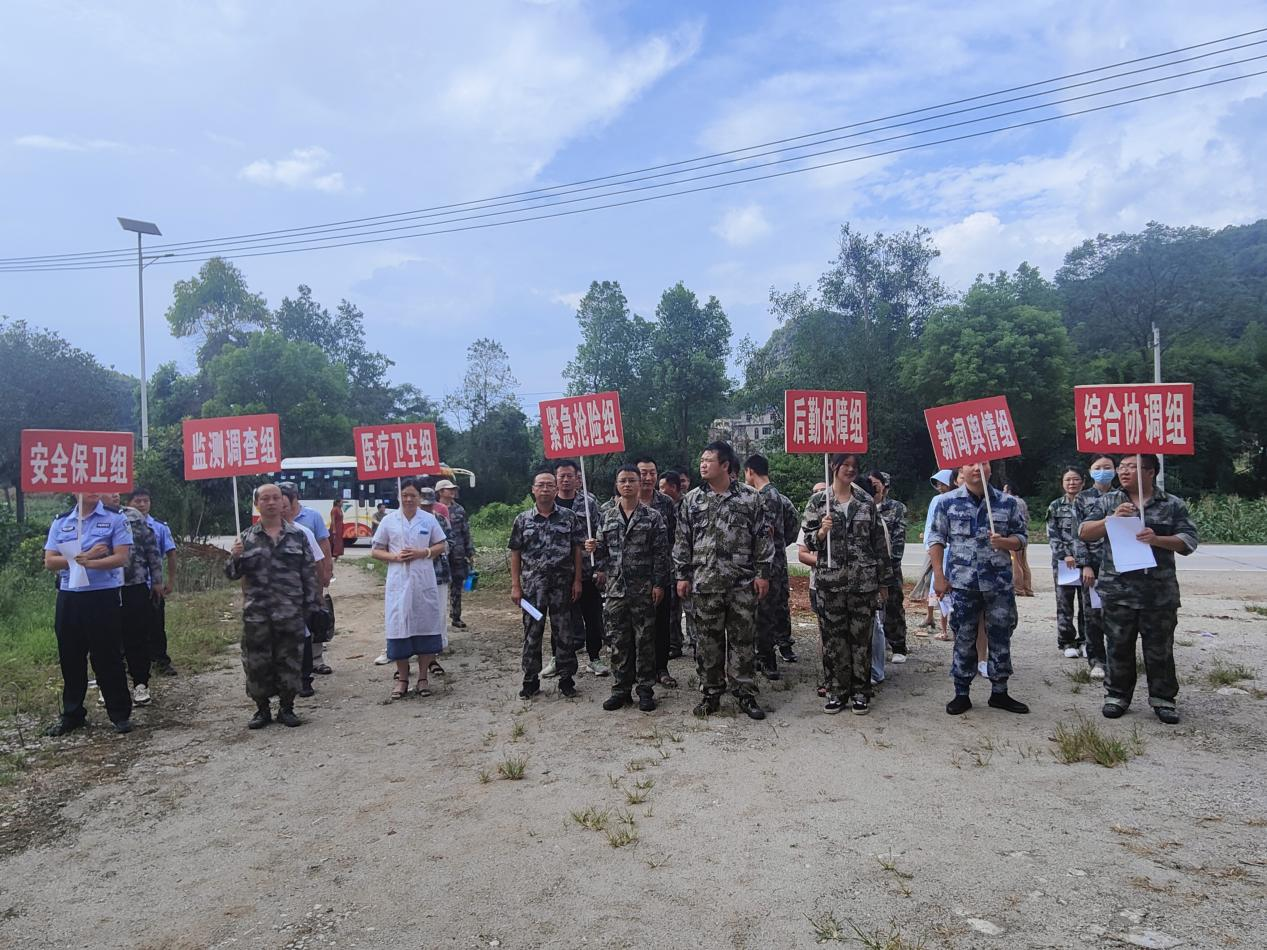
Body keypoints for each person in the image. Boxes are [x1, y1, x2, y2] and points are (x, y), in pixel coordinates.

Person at [1077, 454, 1197, 724]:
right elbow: (1084, 532)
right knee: (1118, 646)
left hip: (1159, 593)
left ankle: (1163, 698)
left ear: (1151, 472)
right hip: (1118, 592)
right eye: (1122, 467)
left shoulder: (1171, 504)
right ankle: (1117, 695)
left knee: (1160, 650)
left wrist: (1158, 539)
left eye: (1131, 467)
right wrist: (1110, 521)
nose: (1123, 472)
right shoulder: (1108, 501)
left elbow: (1188, 541)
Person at [673, 441, 772, 721]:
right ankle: (711, 692)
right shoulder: (692, 500)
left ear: (725, 465)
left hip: (741, 583)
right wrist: (682, 575)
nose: (703, 465)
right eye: (701, 460)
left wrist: (763, 574)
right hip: (705, 584)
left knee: (743, 641)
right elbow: (682, 540)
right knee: (708, 642)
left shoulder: (750, 499)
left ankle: (744, 692)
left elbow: (762, 539)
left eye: (709, 460)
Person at [928, 462, 1030, 716]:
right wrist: (939, 576)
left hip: (998, 583)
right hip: (963, 583)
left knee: (1000, 635)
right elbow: (936, 539)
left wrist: (1005, 541)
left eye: (983, 463)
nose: (977, 468)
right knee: (963, 637)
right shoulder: (947, 502)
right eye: (971, 464)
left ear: (990, 469)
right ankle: (961, 691)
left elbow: (1021, 538)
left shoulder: (1008, 503)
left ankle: (1000, 692)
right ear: (962, 470)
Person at [802, 455, 893, 715]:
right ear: (834, 467)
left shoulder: (865, 501)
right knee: (833, 641)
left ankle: (861, 692)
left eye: (854, 467)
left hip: (862, 583)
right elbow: (807, 542)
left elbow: (878, 545)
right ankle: (836, 691)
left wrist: (883, 582)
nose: (851, 470)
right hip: (830, 583)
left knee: (861, 639)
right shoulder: (818, 502)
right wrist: (821, 531)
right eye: (846, 466)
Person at [225, 483, 321, 729]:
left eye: (275, 498)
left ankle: (287, 708)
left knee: (290, 661)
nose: (270, 503)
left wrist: (309, 607)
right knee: (256, 662)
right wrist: (234, 557)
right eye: (265, 499)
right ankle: (262, 709)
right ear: (257, 504)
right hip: (257, 614)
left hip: (290, 613)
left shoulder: (297, 535)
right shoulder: (246, 537)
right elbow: (233, 575)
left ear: (283, 502)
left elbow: (309, 573)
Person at [42, 493, 135, 736]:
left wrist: (89, 563)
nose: (92, 490)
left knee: (107, 654)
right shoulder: (61, 521)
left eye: (97, 485)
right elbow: (50, 561)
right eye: (85, 485)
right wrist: (86, 556)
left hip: (101, 595)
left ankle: (119, 713)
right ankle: (72, 713)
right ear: (73, 490)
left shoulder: (116, 518)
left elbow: (122, 557)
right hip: (69, 595)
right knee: (70, 655)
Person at [586, 465, 670, 712]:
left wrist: (659, 584)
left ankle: (645, 690)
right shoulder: (607, 516)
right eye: (623, 480)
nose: (628, 485)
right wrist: (593, 547)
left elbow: (661, 554)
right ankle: (621, 689)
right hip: (615, 590)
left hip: (643, 589)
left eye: (632, 480)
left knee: (644, 641)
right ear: (617, 484)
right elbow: (602, 553)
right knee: (618, 641)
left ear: (639, 483)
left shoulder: (653, 517)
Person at [508, 471, 585, 699]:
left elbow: (577, 550)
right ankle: (530, 679)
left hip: (563, 588)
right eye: (540, 485)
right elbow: (515, 553)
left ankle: (566, 678)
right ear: (533, 489)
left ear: (555, 489)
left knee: (564, 633)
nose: (545, 489)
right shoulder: (523, 519)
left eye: (549, 485)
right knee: (532, 633)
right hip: (532, 589)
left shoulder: (569, 517)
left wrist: (578, 580)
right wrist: (515, 585)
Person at [370, 478, 448, 700]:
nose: (409, 499)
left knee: (425, 625)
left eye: (413, 495)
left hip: (423, 580)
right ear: (399, 496)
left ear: (419, 497)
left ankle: (423, 677)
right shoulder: (390, 520)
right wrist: (395, 557)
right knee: (399, 627)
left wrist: (423, 553)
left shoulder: (428, 519)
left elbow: (441, 544)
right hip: (399, 581)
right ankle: (403, 678)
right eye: (405, 495)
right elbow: (376, 550)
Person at [744, 454, 800, 679]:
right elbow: (793, 528)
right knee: (772, 610)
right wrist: (780, 545)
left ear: (750, 471)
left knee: (763, 614)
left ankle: (766, 660)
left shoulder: (762, 497)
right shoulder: (781, 498)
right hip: (777, 561)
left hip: (765, 565)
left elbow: (760, 534)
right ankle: (766, 655)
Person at [552, 459, 609, 677]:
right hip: (558, 574)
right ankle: (557, 658)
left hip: (587, 570)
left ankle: (594, 657)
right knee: (559, 618)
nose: (566, 480)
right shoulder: (550, 504)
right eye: (562, 476)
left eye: (570, 476)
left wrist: (601, 567)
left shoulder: (589, 504)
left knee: (592, 617)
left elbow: (601, 534)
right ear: (556, 479)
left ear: (578, 479)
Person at [105, 493, 163, 708]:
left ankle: (141, 684)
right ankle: (109, 685)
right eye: (109, 490)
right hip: (103, 587)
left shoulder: (133, 516)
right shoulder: (90, 518)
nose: (114, 495)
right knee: (108, 641)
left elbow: (152, 549)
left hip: (134, 585)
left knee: (137, 637)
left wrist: (157, 580)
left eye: (117, 491)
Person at [633, 456, 681, 688]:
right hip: (632, 578)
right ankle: (637, 668)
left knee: (662, 622)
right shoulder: (620, 504)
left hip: (661, 574)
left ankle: (661, 668)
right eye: (643, 473)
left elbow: (675, 538)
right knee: (634, 625)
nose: (649, 477)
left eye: (653, 472)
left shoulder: (666, 503)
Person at [279, 483, 334, 678]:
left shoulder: (307, 524)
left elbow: (322, 547)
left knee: (312, 623)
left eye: (285, 503)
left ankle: (313, 664)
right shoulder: (258, 533)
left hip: (303, 588)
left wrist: (325, 574)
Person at [1072, 455, 1117, 680]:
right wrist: (1085, 565)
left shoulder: (1123, 496)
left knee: (1118, 615)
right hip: (1094, 566)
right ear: (1090, 472)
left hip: (1119, 566)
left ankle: (1116, 658)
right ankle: (1096, 659)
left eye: (1107, 467)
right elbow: (1077, 535)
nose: (1103, 471)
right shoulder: (1082, 499)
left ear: (1115, 470)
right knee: (1093, 615)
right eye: (1098, 468)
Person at [128, 488, 179, 677]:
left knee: (156, 625)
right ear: (129, 503)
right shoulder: (122, 525)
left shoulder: (159, 527)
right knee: (131, 627)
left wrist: (171, 581)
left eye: (145, 501)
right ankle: (132, 662)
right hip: (131, 586)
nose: (142, 505)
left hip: (153, 585)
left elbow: (171, 553)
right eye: (137, 501)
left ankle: (161, 661)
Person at [1047, 467, 1090, 660]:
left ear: (1083, 481)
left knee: (1087, 603)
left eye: (1075, 479)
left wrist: (1087, 559)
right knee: (1065, 603)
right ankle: (1066, 642)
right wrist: (1065, 555)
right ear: (1062, 483)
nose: (1072, 483)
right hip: (1064, 564)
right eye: (1068, 480)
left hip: (1087, 562)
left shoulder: (1090, 504)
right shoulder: (1055, 506)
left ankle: (1086, 641)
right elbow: (1052, 535)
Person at [867, 470, 908, 664]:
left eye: (876, 483)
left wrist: (891, 565)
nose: (873, 487)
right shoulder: (864, 505)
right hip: (868, 566)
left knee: (893, 603)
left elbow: (898, 539)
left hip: (890, 565)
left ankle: (898, 645)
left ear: (885, 486)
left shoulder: (896, 508)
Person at [912, 470, 954, 640]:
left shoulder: (958, 499)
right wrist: (929, 545)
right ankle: (931, 617)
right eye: (937, 483)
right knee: (933, 583)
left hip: (952, 550)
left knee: (949, 587)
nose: (939, 486)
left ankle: (949, 625)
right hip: (937, 548)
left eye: (942, 483)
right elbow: (931, 524)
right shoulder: (936, 500)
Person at [418, 486, 452, 678]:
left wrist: (434, 549)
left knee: (438, 612)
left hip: (437, 572)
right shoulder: (405, 523)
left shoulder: (439, 520)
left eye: (429, 505)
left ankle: (434, 652)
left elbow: (450, 542)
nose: (425, 508)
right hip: (414, 574)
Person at [436, 479, 472, 630]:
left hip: (457, 552)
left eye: (453, 489)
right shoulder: (433, 509)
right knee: (439, 585)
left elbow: (466, 531)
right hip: (440, 553)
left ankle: (456, 616)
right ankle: (437, 617)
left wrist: (470, 551)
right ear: (440, 492)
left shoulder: (459, 510)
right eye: (448, 489)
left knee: (457, 585)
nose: (452, 492)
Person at [1003, 483, 1035, 596]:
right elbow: (1027, 518)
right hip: (1024, 534)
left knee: (1015, 562)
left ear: (1009, 490)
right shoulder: (1022, 501)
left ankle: (1018, 588)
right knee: (1023, 562)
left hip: (1013, 535)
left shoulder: (1009, 501)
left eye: (1005, 489)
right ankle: (1028, 588)